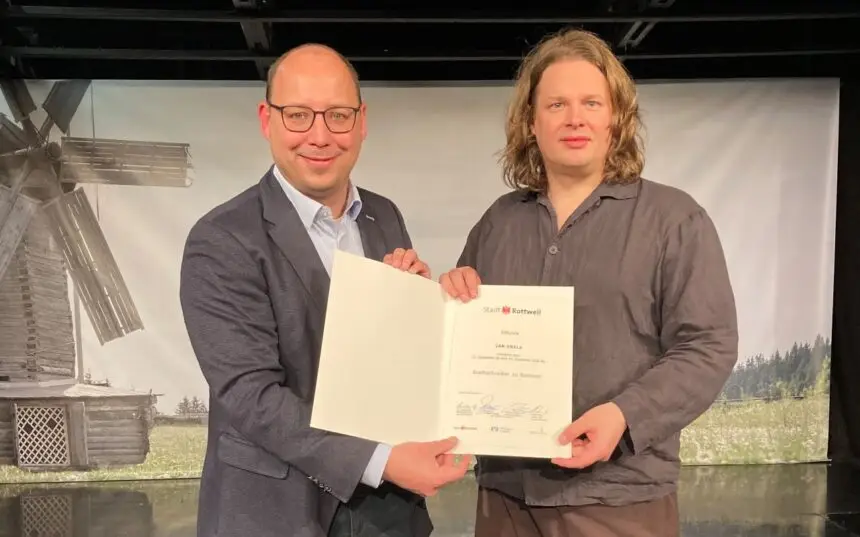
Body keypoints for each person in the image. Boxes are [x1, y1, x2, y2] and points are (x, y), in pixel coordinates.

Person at [438, 29, 739, 537]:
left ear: (616, 118)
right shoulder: (498, 223)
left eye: (591, 103)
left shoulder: (674, 219)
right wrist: (453, 294)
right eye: (556, 104)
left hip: (619, 497)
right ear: (531, 122)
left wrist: (623, 417)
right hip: (504, 497)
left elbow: (708, 345)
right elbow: (464, 344)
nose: (574, 118)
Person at [179, 43, 468, 537]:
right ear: (267, 120)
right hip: (278, 512)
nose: (319, 135)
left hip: (388, 512)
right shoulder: (221, 239)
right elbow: (251, 396)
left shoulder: (384, 216)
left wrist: (417, 307)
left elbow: (387, 363)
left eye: (338, 115)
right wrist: (382, 460)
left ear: (361, 122)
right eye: (298, 115)